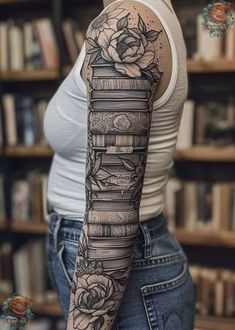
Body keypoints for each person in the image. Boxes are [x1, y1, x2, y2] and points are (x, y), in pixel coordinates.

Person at [44, 0, 196, 329]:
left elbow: (110, 220)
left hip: (117, 274)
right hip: (129, 265)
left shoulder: (127, 21)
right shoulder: (149, 11)